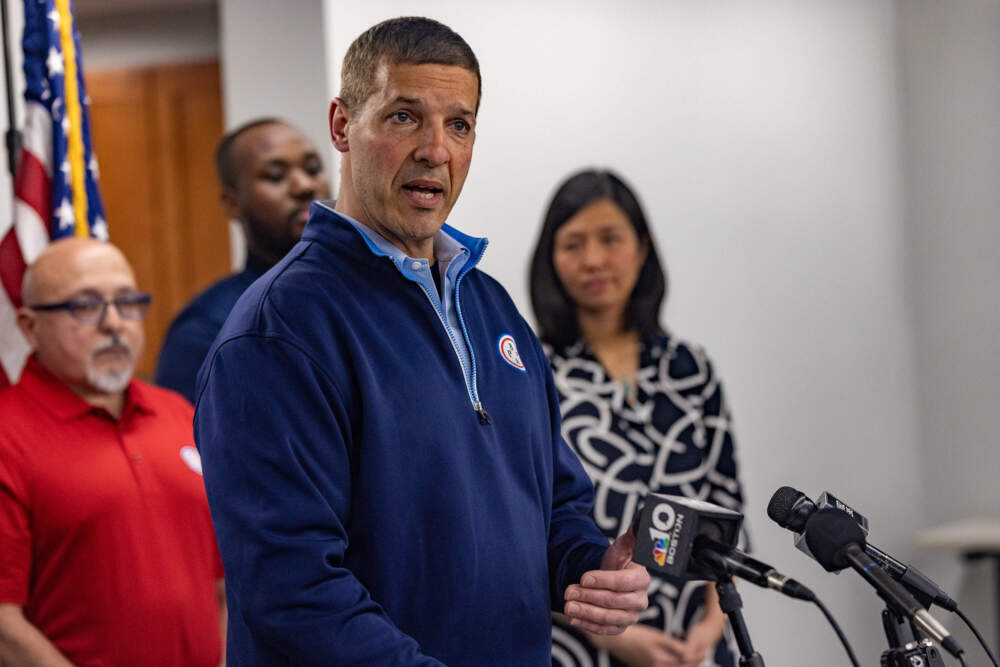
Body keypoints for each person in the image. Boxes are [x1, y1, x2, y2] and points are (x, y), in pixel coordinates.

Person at [195, 17, 650, 667]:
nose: (436, 149)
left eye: (459, 124)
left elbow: (553, 503)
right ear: (341, 125)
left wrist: (592, 567)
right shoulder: (277, 332)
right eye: (405, 116)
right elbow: (293, 592)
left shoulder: (491, 306)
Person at [529, 169, 746, 667]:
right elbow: (528, 536)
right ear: (551, 259)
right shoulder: (532, 372)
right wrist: (615, 636)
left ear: (642, 248)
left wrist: (710, 630)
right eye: (573, 244)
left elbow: (727, 508)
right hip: (583, 644)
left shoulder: (691, 369)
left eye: (611, 239)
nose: (594, 260)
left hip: (696, 646)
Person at [0, 238, 225, 667]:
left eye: (127, 302)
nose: (114, 324)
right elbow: (3, 625)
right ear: (30, 328)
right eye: (85, 307)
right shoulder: (7, 437)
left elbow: (224, 579)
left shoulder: (180, 414)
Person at [155, 117, 330, 403]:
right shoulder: (208, 329)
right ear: (232, 204)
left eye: (313, 169)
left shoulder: (373, 291)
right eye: (275, 176)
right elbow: (184, 441)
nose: (305, 186)